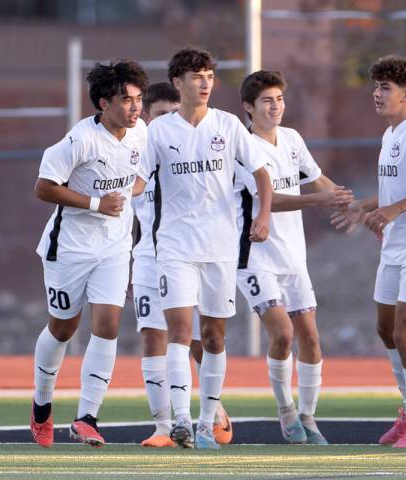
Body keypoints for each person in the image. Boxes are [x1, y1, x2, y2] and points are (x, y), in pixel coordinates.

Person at [137, 47, 273, 449]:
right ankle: (180, 419)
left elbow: (261, 176)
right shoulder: (159, 132)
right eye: (197, 76)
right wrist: (109, 197)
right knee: (178, 332)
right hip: (174, 246)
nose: (205, 83)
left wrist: (262, 216)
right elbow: (139, 181)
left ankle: (205, 421)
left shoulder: (229, 126)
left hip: (220, 247)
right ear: (178, 83)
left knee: (213, 338)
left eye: (210, 76)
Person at [331, 55, 406, 448]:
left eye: (385, 88)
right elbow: (393, 194)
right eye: (376, 86)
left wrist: (393, 210)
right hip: (395, 248)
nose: (377, 94)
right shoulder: (390, 136)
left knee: (405, 332)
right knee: (385, 330)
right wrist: (364, 207)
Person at [29, 59, 149, 448]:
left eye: (138, 99)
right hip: (69, 249)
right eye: (126, 100)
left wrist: (128, 194)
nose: (135, 107)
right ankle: (42, 405)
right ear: (103, 103)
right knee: (63, 328)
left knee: (108, 326)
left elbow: (143, 174)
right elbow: (44, 188)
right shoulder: (79, 140)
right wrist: (97, 204)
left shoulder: (140, 133)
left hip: (114, 247)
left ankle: (86, 417)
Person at [234, 70, 353, 445]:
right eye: (268, 100)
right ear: (248, 108)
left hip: (293, 258)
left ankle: (308, 415)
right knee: (282, 334)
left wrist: (356, 209)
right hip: (254, 256)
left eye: (280, 99)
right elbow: (268, 200)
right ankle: (286, 409)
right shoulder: (243, 147)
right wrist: (318, 200)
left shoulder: (292, 139)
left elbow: (318, 180)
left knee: (311, 339)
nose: (276, 106)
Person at [133, 82, 232, 447]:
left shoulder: (198, 151)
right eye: (159, 114)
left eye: (172, 114)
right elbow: (130, 215)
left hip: (190, 250)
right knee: (153, 337)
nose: (166, 121)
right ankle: (166, 427)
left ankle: (212, 408)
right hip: (147, 256)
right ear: (147, 117)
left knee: (197, 339)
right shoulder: (137, 151)